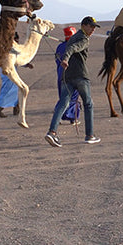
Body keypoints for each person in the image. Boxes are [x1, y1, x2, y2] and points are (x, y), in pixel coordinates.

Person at [45, 16, 101, 147]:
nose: (93, 29)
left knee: (63, 103)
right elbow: (74, 48)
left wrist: (65, 59)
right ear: (84, 25)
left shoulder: (73, 37)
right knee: (88, 104)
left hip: (66, 76)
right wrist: (66, 58)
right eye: (91, 26)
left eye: (94, 27)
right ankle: (90, 135)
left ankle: (52, 132)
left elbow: (69, 48)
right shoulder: (83, 39)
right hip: (80, 76)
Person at [55, 26, 81, 125]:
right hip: (72, 75)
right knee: (73, 97)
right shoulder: (75, 47)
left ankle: (60, 117)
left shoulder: (59, 47)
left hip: (60, 74)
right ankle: (73, 118)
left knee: (63, 96)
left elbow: (57, 60)